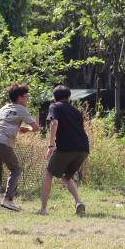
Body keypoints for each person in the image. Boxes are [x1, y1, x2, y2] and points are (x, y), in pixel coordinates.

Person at [0, 84, 39, 211]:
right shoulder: (21, 109)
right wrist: (28, 129)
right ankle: (8, 200)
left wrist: (17, 128)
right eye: (26, 96)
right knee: (16, 170)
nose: (27, 99)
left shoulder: (4, 108)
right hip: (3, 142)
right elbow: (36, 128)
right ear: (19, 98)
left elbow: (1, 122)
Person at [40, 85, 89, 216]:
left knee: (49, 173)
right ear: (69, 97)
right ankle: (78, 202)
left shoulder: (54, 106)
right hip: (83, 148)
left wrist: (51, 146)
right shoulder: (76, 111)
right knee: (66, 176)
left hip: (66, 148)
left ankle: (43, 209)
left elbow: (54, 123)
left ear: (54, 98)